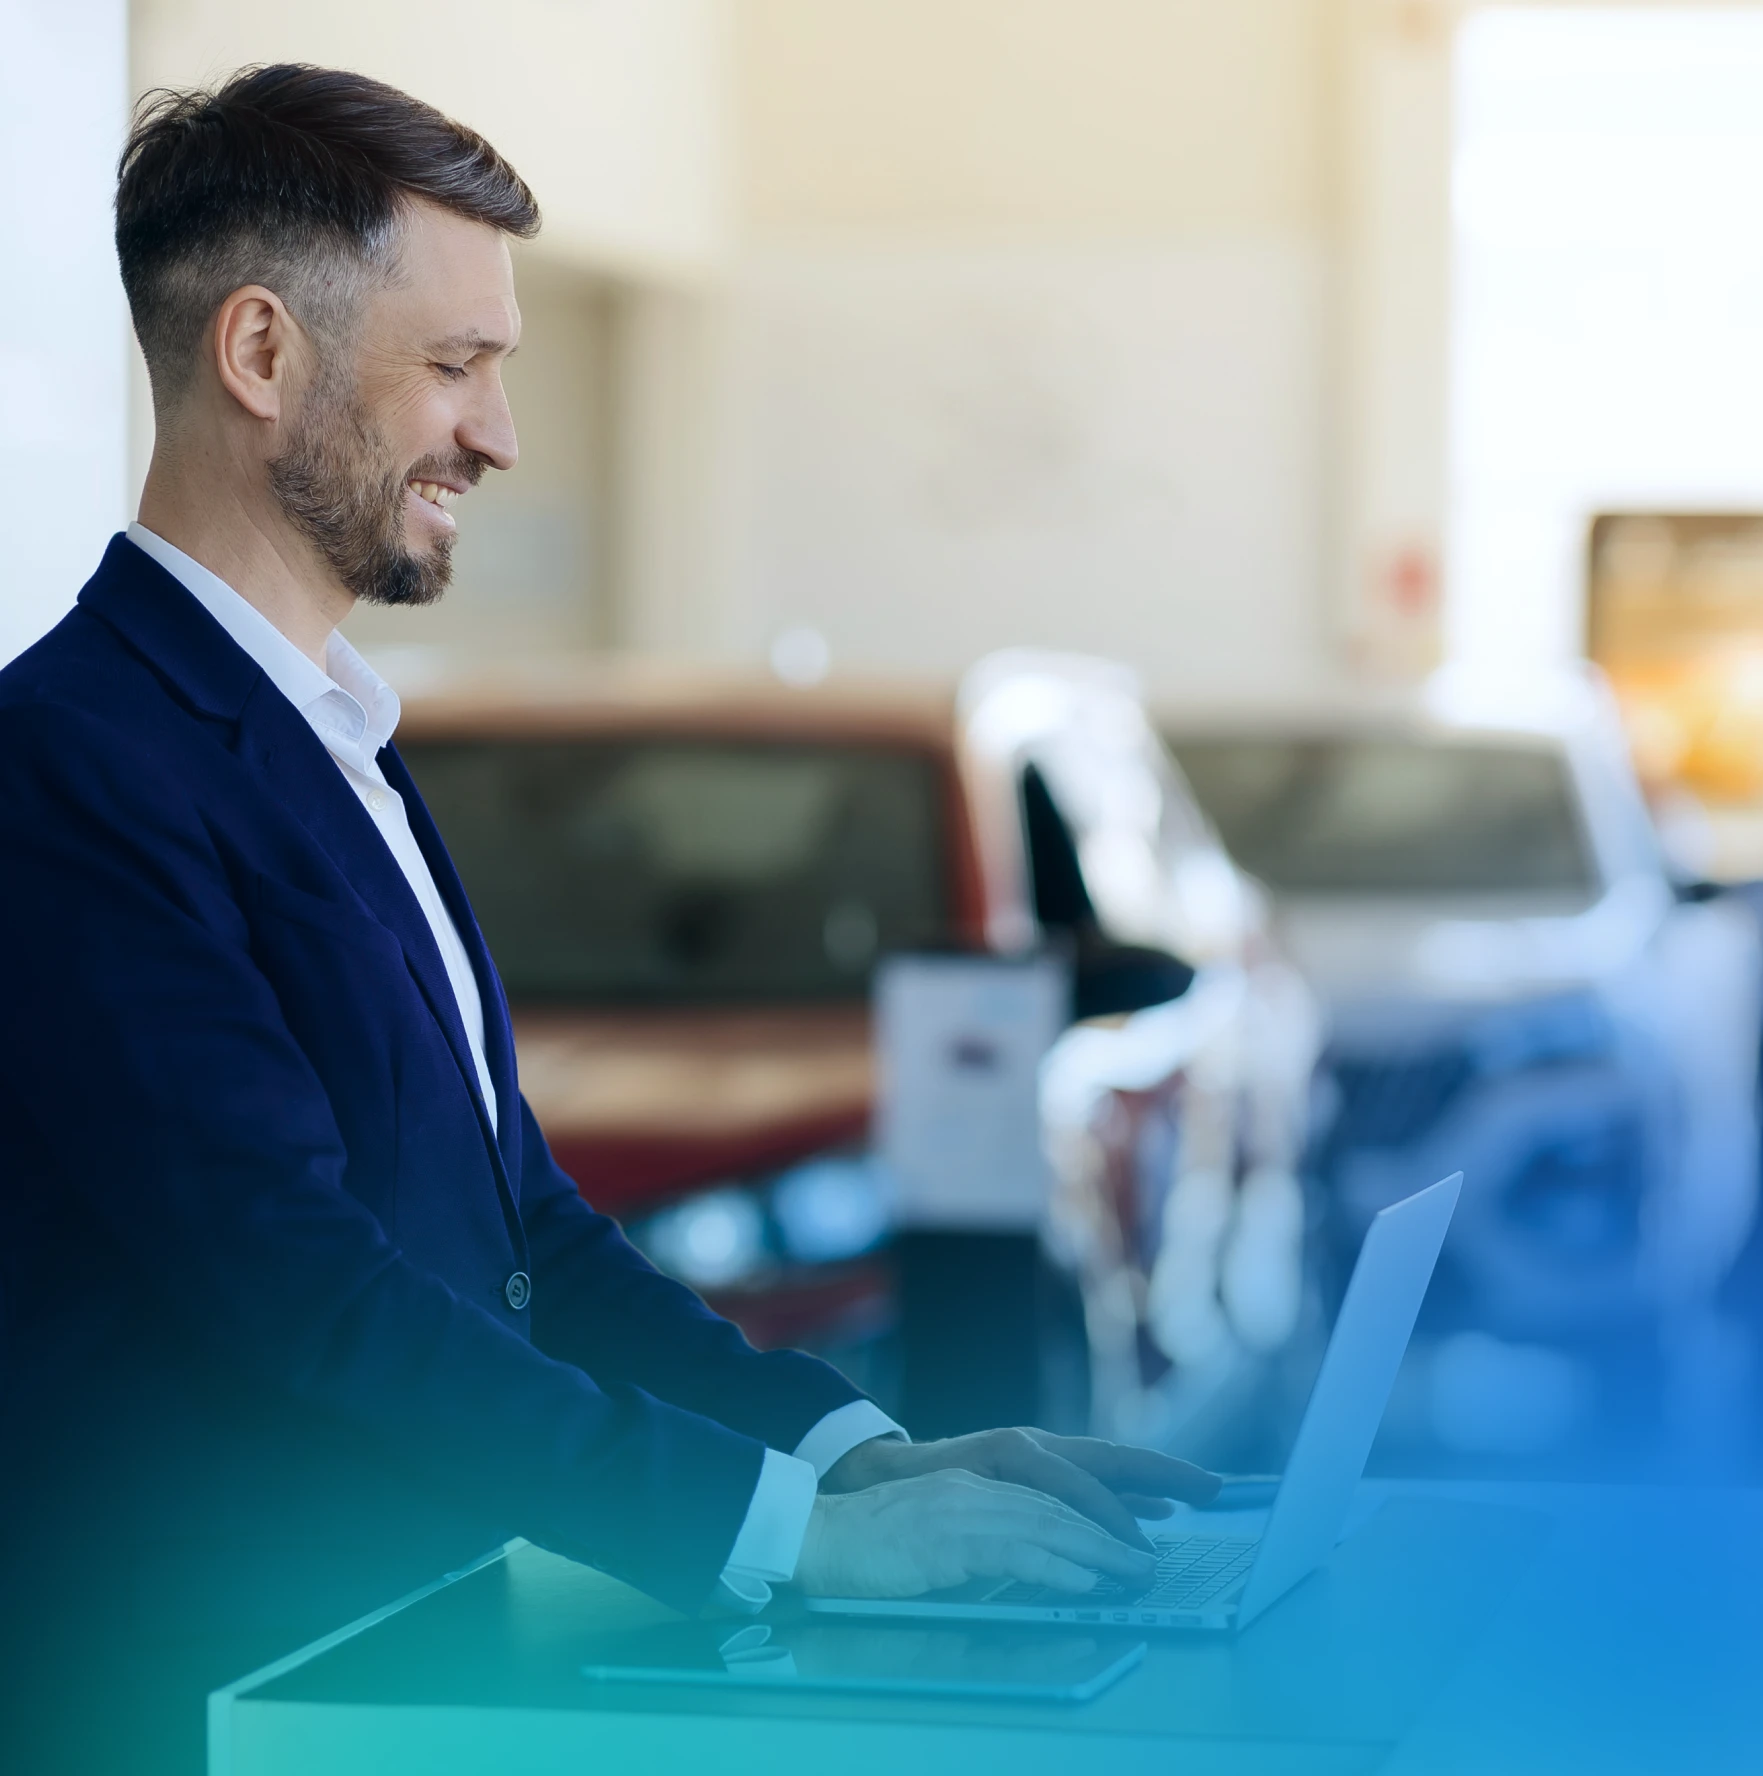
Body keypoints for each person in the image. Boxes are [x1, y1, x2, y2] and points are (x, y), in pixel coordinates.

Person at [0, 65, 1218, 1773]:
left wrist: (854, 1458)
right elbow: (297, 1287)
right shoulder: (71, 761)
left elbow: (530, 1237)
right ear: (260, 354)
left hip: (397, 1674)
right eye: (456, 365)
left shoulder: (333, 737)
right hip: (199, 1707)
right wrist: (792, 1540)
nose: (499, 435)